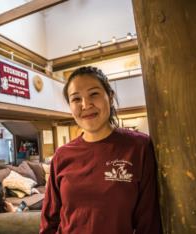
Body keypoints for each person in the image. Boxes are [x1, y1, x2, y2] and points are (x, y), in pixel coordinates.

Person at [40, 66, 162, 234]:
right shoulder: (62, 155)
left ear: (110, 97)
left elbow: (148, 221)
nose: (85, 104)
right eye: (76, 99)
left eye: (94, 94)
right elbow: (49, 221)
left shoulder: (139, 147)